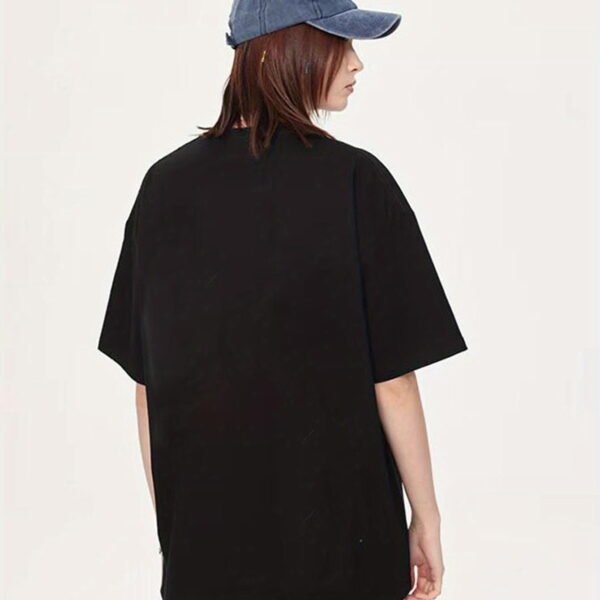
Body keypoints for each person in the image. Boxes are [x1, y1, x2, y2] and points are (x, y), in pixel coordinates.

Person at [97, 1, 468, 599]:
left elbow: (148, 389)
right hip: (346, 556)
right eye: (339, 45)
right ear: (280, 49)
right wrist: (426, 517)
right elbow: (394, 382)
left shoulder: (162, 188)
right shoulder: (357, 182)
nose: (357, 63)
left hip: (207, 559)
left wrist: (178, 533)